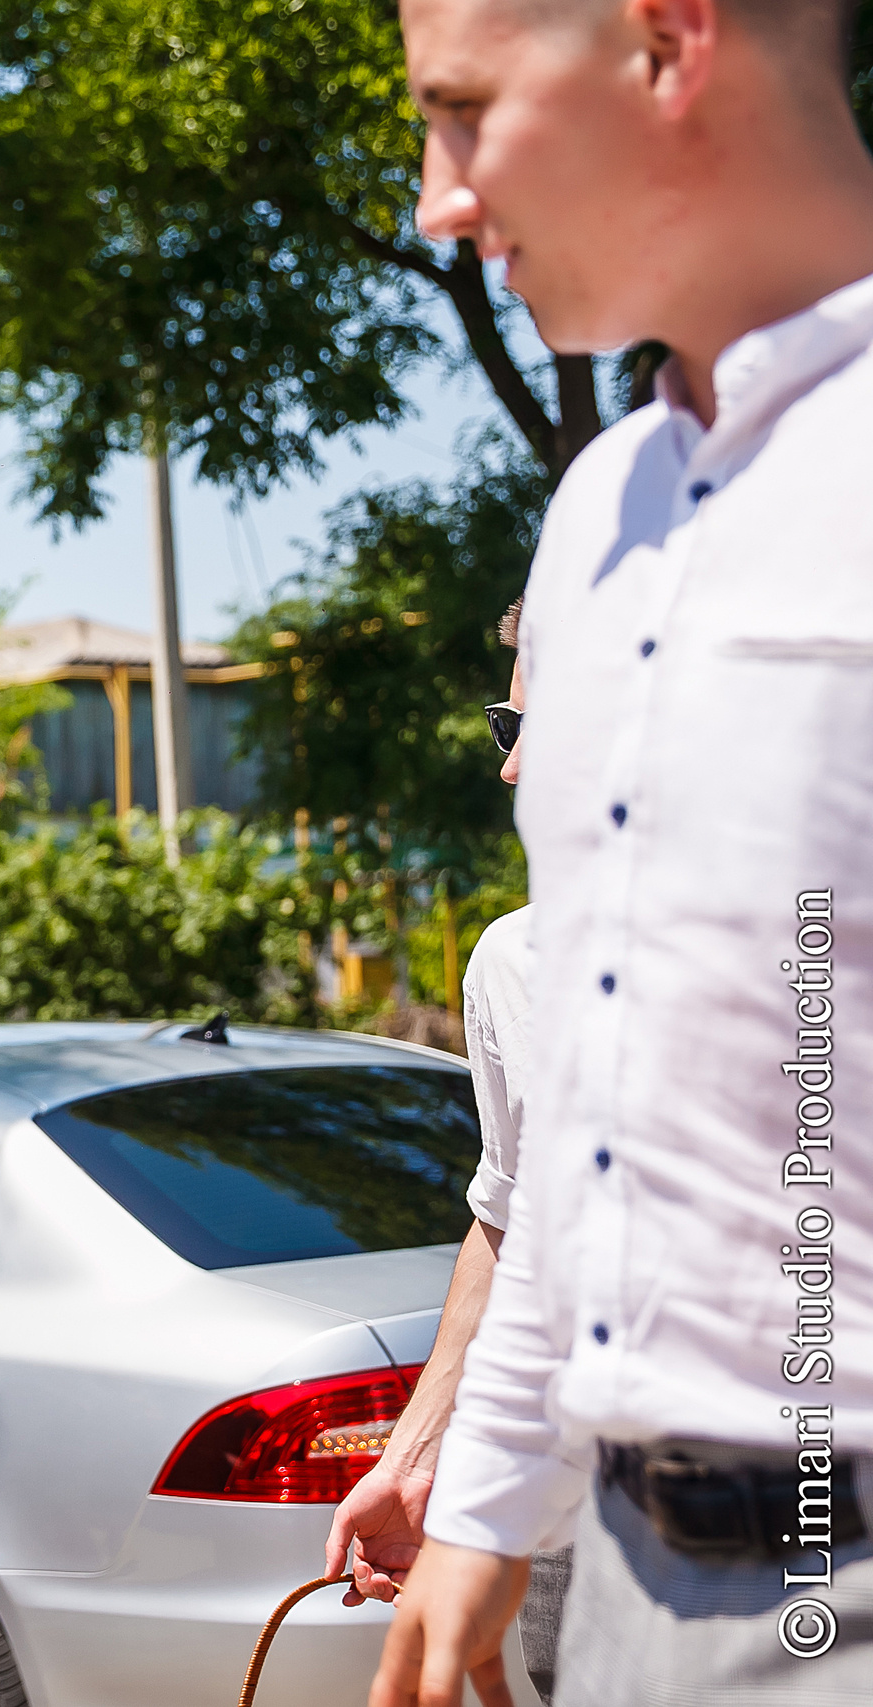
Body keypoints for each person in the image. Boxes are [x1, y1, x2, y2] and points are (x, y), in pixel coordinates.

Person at [375, 2, 873, 1702]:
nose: (436, 198)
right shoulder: (600, 512)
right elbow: (592, 1101)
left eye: (464, 111)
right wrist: (489, 1503)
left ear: (669, 42)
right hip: (632, 1589)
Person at [329, 604, 569, 1699]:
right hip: (578, 1522)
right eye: (501, 727)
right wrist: (426, 1460)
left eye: (551, 724)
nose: (512, 771)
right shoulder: (515, 963)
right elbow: (514, 1221)